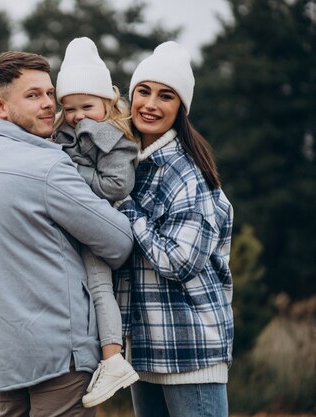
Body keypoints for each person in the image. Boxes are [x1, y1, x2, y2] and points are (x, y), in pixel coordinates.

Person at [0, 50, 134, 417]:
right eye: (33, 95)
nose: (47, 105)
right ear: (0, 107)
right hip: (58, 355)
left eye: (49, 94)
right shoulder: (49, 165)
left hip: (1, 359)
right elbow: (118, 243)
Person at [114, 41, 235, 417]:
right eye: (143, 91)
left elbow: (181, 261)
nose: (150, 104)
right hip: (146, 349)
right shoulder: (131, 165)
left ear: (180, 108)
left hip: (189, 351)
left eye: (165, 96)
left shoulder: (187, 174)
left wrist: (126, 208)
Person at [52, 37, 139, 408]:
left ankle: (112, 358)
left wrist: (72, 170)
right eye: (69, 108)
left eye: (86, 106)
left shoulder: (114, 137)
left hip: (101, 224)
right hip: (72, 224)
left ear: (107, 102)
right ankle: (92, 356)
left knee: (101, 288)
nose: (77, 116)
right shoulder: (64, 133)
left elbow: (117, 185)